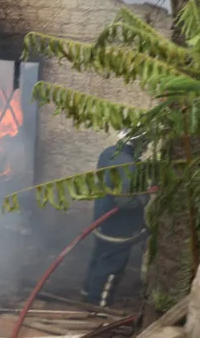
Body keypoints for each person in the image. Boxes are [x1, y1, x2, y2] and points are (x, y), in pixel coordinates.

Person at [82, 130, 155, 308]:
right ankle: (98, 304)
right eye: (144, 144)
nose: (145, 148)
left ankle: (87, 292)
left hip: (101, 218)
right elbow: (124, 200)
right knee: (111, 265)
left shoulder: (108, 152)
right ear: (136, 143)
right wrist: (144, 197)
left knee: (99, 255)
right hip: (119, 226)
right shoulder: (129, 165)